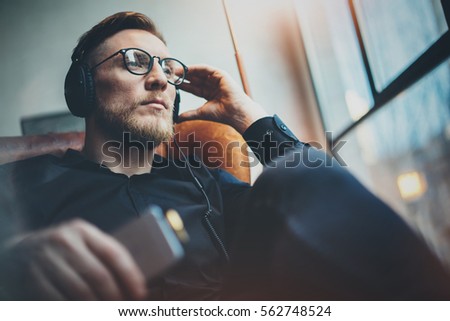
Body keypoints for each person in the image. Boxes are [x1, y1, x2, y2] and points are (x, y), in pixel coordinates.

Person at [0, 11, 449, 300]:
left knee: (294, 176)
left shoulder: (206, 182)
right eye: (135, 61)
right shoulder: (19, 186)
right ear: (82, 87)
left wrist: (248, 117)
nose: (160, 79)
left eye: (168, 68)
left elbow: (319, 205)